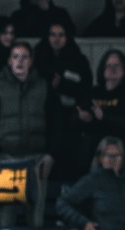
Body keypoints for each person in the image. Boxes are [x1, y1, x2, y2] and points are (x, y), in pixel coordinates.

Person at [0, 43, 56, 226]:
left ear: (31, 62)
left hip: (37, 159)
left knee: (36, 216)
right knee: (6, 215)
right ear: (9, 61)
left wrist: (51, 154)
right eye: (15, 56)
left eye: (24, 57)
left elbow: (55, 123)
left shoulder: (44, 86)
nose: (20, 61)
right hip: (7, 158)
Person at [79, 49, 125, 183]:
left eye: (117, 66)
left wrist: (105, 118)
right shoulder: (95, 92)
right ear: (102, 69)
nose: (112, 69)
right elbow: (81, 118)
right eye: (109, 66)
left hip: (124, 147)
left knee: (111, 146)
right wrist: (84, 118)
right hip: (96, 149)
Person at [34, 21, 92, 178]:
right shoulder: (39, 58)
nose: (57, 39)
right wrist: (53, 86)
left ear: (67, 37)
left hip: (73, 111)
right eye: (53, 35)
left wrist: (83, 107)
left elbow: (85, 87)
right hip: (46, 111)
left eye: (61, 35)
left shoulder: (78, 59)